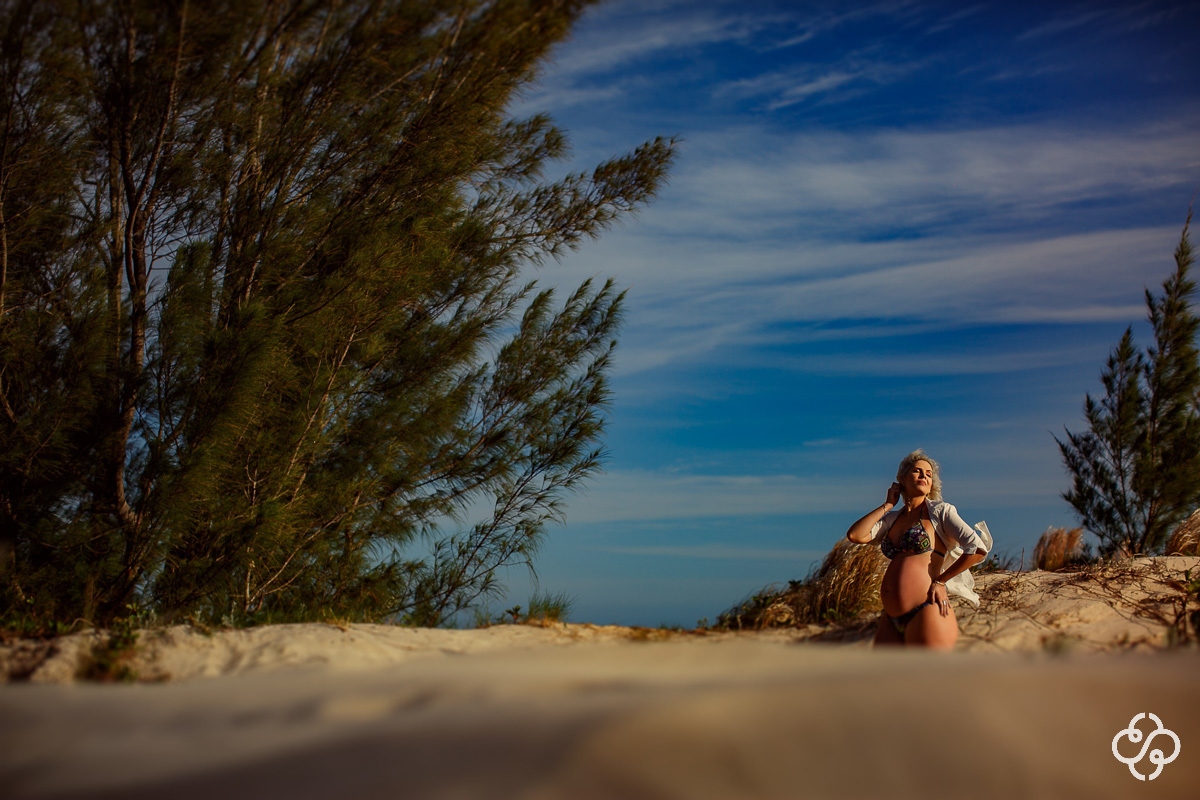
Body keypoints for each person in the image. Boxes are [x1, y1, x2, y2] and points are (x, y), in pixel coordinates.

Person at [845, 450, 990, 649]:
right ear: (902, 479)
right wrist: (888, 505)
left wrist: (940, 581)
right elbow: (856, 535)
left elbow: (978, 548)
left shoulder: (941, 512)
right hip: (891, 619)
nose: (924, 476)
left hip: (926, 610)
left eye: (929, 474)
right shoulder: (892, 518)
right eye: (917, 471)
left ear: (932, 484)